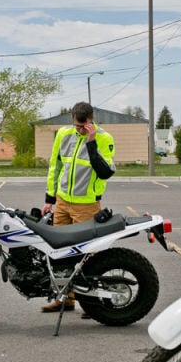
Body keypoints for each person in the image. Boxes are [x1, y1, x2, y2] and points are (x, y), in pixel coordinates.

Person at [41, 101, 116, 312]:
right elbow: (54, 167)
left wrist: (91, 142)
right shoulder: (64, 135)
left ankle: (93, 305)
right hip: (63, 202)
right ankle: (65, 299)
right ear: (72, 120)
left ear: (92, 120)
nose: (81, 130)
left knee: (89, 255)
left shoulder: (104, 138)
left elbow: (106, 172)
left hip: (87, 205)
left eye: (86, 126)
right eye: (78, 126)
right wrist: (50, 199)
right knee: (60, 252)